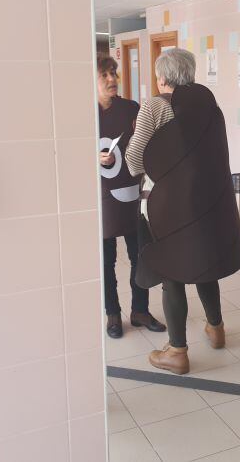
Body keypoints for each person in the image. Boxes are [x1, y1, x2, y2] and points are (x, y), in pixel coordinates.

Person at [125, 48, 240, 375]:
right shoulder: (209, 107)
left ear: (162, 77)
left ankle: (177, 351)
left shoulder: (154, 106)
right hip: (208, 201)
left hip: (168, 205)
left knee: (171, 270)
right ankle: (216, 328)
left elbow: (135, 160)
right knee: (204, 263)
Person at [97, 55, 165, 339]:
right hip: (100, 200)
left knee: (140, 256)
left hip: (132, 195)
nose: (113, 79)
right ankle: (113, 314)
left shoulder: (131, 108)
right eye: (105, 75)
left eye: (114, 73)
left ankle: (140, 310)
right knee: (105, 261)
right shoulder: (79, 114)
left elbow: (146, 144)